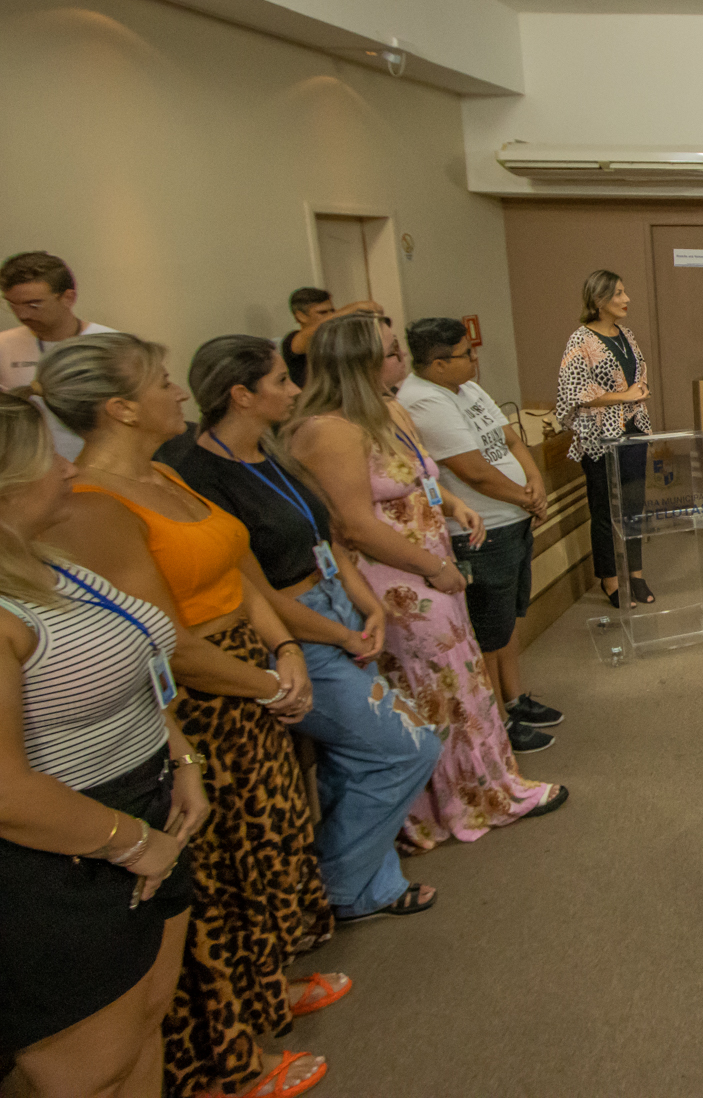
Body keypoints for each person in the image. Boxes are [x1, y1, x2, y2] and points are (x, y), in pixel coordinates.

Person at [37, 333, 340, 1098]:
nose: (179, 392)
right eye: (163, 382)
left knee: (267, 851)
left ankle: (267, 988)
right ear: (121, 407)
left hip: (252, 666)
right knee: (217, 883)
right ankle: (228, 1057)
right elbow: (162, 635)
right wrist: (263, 683)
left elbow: (237, 571)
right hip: (205, 698)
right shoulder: (95, 506)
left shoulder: (168, 473)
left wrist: (285, 649)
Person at [160, 335, 444, 922]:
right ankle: (337, 887)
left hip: (337, 607)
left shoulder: (271, 450)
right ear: (241, 395)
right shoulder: (195, 473)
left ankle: (372, 879)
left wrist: (368, 607)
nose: (294, 390)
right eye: (280, 382)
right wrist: (334, 633)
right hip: (294, 631)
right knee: (407, 747)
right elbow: (250, 589)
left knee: (354, 757)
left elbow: (330, 538)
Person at [291, 314, 566, 851]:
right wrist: (430, 566)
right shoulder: (327, 431)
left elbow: (422, 477)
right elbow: (352, 524)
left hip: (432, 559)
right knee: (432, 686)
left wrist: (456, 506)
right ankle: (447, 804)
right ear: (360, 363)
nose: (402, 361)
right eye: (392, 353)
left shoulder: (386, 409)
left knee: (461, 678)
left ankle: (487, 786)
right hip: (396, 574)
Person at [0, 392, 208, 1098]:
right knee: (89, 1072)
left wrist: (180, 756)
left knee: (145, 1025)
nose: (66, 467)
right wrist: (130, 841)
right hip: (65, 855)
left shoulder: (44, 558)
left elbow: (132, 665)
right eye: (45, 459)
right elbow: (5, 789)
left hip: (144, 804)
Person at [399, 317, 563, 754]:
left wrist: (536, 481)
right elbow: (472, 471)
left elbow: (508, 439)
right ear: (436, 364)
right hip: (481, 533)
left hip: (513, 520)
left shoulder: (466, 388)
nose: (475, 359)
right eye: (465, 355)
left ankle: (515, 696)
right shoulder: (422, 401)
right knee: (487, 631)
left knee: (507, 621)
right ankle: (499, 720)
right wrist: (525, 499)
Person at [554, 270, 655, 602]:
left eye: (625, 293)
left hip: (633, 428)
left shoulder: (626, 333)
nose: (626, 300)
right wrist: (623, 396)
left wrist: (638, 390)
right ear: (599, 301)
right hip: (599, 435)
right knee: (605, 508)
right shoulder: (580, 340)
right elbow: (573, 392)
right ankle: (610, 579)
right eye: (618, 295)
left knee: (633, 505)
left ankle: (636, 574)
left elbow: (635, 374)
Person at [0, 250, 118, 462]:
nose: (22, 315)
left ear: (68, 297)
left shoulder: (113, 344)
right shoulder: (3, 346)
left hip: (101, 465)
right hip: (31, 469)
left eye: (33, 304)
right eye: (12, 305)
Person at [279, 288, 382, 390]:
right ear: (301, 316)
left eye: (332, 311)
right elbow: (312, 334)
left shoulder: (337, 338)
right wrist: (355, 308)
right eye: (323, 312)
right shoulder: (292, 340)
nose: (330, 316)